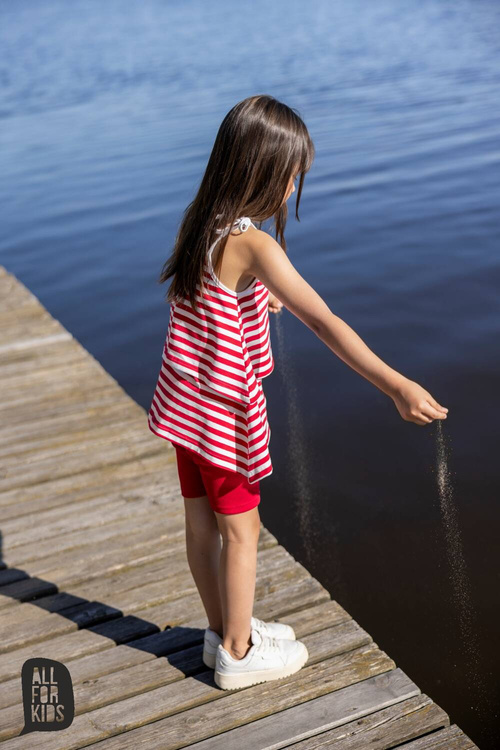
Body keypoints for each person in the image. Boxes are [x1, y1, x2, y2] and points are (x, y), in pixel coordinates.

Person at [147, 94, 449, 690]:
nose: (292, 188)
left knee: (200, 524)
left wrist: (263, 293)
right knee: (243, 530)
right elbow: (326, 322)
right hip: (221, 418)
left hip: (185, 407)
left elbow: (215, 294)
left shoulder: (201, 222)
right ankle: (237, 651)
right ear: (261, 172)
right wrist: (396, 384)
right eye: (291, 175)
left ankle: (220, 631)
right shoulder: (256, 245)